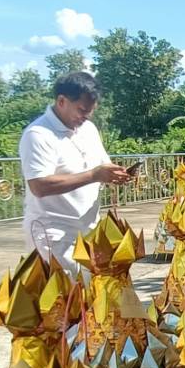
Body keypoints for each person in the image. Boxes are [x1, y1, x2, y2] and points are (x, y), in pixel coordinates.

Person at [20, 71, 129, 270]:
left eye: (90, 111)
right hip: (54, 233)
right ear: (61, 101)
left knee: (92, 294)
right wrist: (93, 175)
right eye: (81, 110)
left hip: (89, 229)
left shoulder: (88, 129)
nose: (85, 117)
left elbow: (102, 166)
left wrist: (116, 175)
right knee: (66, 297)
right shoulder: (38, 134)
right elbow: (39, 186)